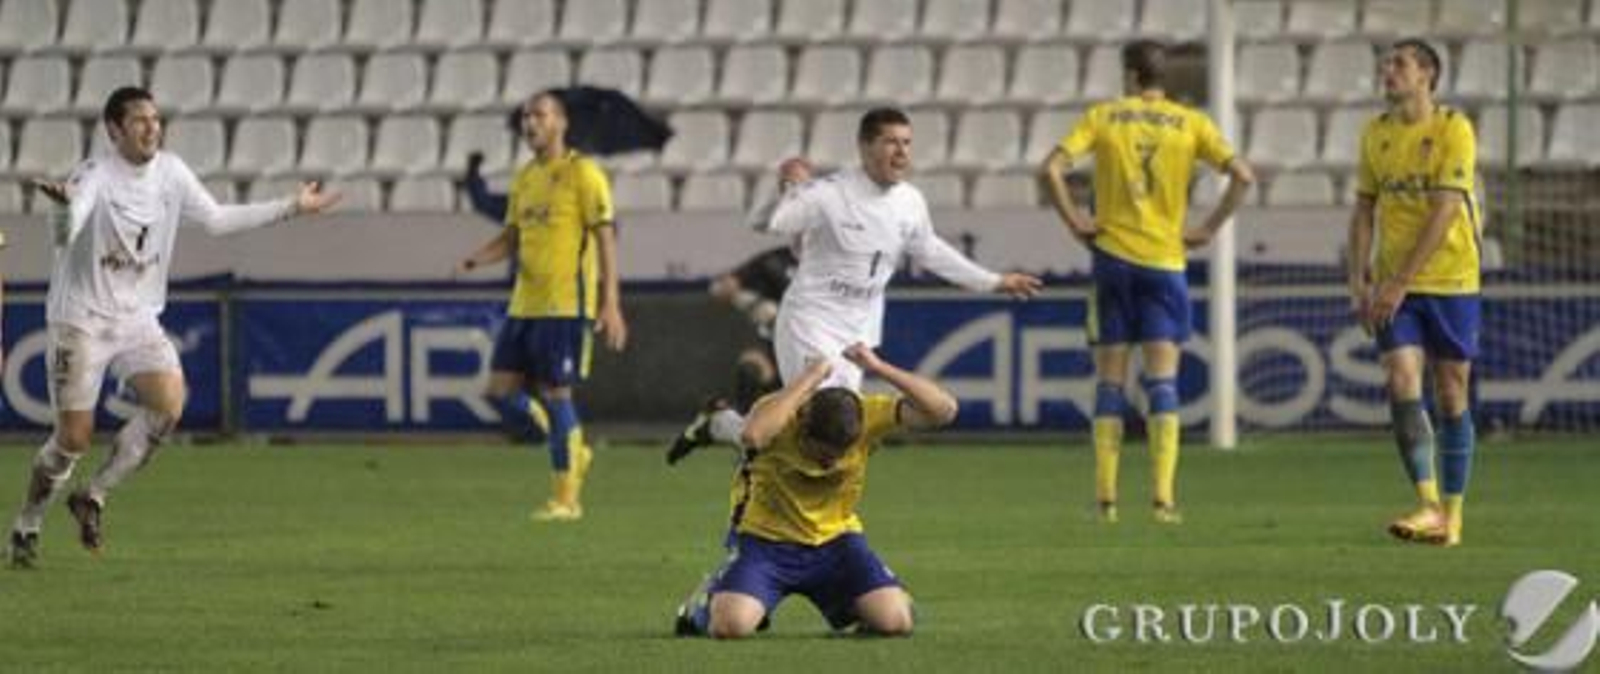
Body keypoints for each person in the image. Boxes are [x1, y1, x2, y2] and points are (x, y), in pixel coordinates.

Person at [6, 86, 341, 567]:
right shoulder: (94, 174)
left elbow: (217, 220)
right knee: (73, 438)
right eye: (139, 120)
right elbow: (68, 230)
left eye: (156, 119)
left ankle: (93, 494)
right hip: (81, 319)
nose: (152, 128)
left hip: (137, 317)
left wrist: (290, 206)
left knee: (168, 404)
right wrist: (62, 210)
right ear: (114, 130)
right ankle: (27, 524)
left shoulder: (171, 172)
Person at [667, 109, 1041, 461]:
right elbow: (769, 223)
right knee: (813, 424)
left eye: (907, 143)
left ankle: (720, 424)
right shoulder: (830, 193)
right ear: (865, 147)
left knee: (838, 430)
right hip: (810, 321)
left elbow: (932, 251)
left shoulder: (910, 202)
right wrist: (788, 188)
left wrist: (993, 281)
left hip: (856, 333)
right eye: (891, 142)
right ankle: (755, 465)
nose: (901, 152)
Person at [1040, 40, 1255, 524]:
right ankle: (1163, 500)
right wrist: (1209, 227)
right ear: (1163, 77)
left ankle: (1106, 501)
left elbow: (1050, 168)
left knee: (1110, 383)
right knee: (1162, 381)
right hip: (1165, 262)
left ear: (1131, 75)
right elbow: (1243, 175)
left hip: (1113, 259)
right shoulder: (1191, 122)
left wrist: (1075, 221)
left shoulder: (1104, 116)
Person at [673, 344, 957, 638]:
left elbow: (944, 410)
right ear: (803, 427)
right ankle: (702, 603)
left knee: (896, 622)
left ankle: (859, 605)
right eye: (821, 454)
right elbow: (751, 436)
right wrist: (811, 377)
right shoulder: (780, 417)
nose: (829, 464)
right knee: (730, 627)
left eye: (838, 455)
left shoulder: (867, 415)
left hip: (837, 543)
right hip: (765, 543)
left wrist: (879, 368)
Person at [456, 91, 627, 523]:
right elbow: (511, 237)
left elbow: (606, 238)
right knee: (499, 392)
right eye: (526, 116)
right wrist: (474, 259)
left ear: (561, 123)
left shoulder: (584, 173)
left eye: (540, 114)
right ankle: (572, 445)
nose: (530, 122)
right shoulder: (526, 177)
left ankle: (567, 501)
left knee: (555, 394)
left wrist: (610, 302)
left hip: (565, 304)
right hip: (524, 304)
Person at [1348, 39, 1481, 548]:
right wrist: (1359, 280)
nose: (1388, 71)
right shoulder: (1375, 134)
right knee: (1401, 377)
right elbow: (1364, 210)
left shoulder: (1453, 129)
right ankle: (1427, 503)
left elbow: (1446, 209)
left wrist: (1400, 281)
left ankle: (1452, 516)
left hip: (1451, 278)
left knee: (1451, 391)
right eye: (1387, 63)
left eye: (1399, 64)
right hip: (1393, 286)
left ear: (1427, 74)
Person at [666, 158, 811, 466]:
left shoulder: (832, 259)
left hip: (815, 355)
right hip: (775, 351)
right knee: (749, 367)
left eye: (801, 187)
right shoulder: (773, 261)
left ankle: (719, 423)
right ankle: (749, 451)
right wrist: (753, 304)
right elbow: (720, 288)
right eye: (788, 188)